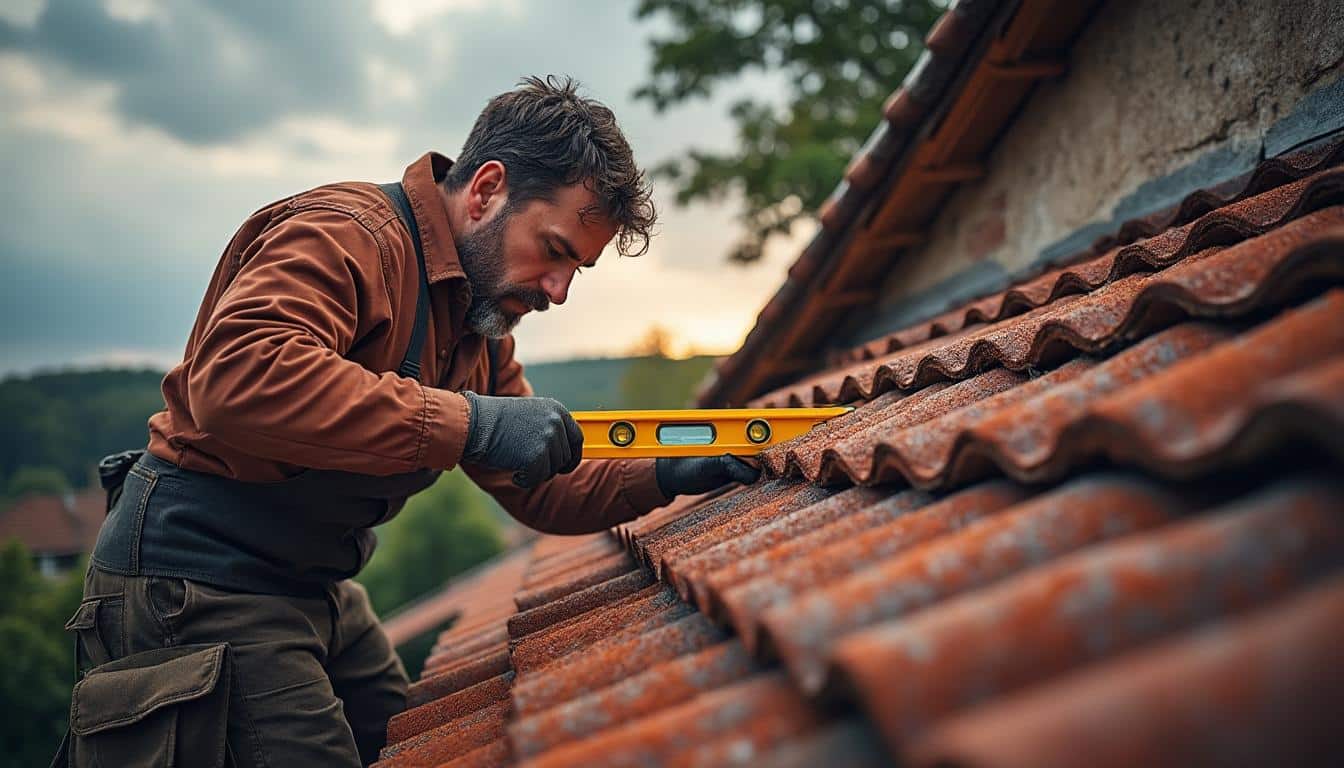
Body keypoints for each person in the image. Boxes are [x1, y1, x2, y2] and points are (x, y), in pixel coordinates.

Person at [54, 75, 758, 768]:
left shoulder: (478, 328)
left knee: (426, 743)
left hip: (313, 583)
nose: (560, 291)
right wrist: (470, 425)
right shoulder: (348, 235)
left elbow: (541, 486)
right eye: (554, 252)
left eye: (578, 269)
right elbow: (239, 377)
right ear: (485, 191)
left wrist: (665, 471)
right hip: (195, 582)